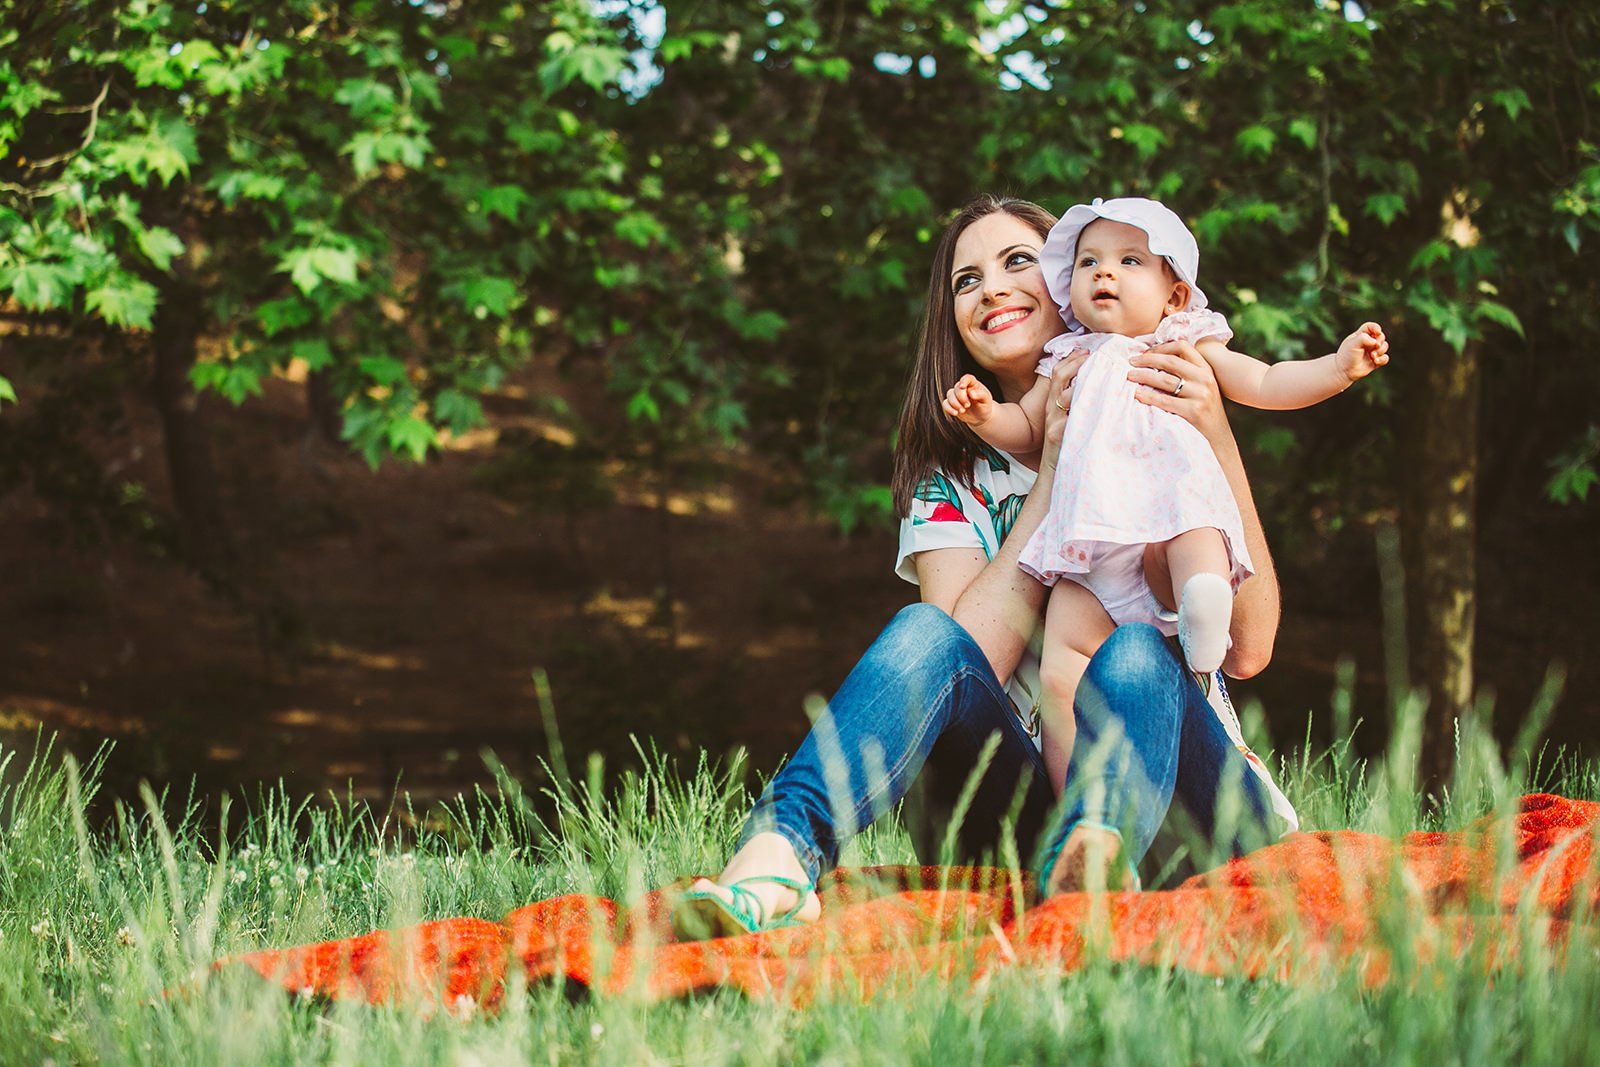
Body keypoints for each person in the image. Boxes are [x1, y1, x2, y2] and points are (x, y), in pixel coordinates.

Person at [672, 195, 1296, 940]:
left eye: (1017, 262)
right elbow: (960, 662)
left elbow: (1250, 649)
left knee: (1131, 652)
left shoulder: (1161, 403)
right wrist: (1055, 475)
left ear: (1067, 281)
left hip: (1194, 813)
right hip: (1024, 824)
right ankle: (778, 857)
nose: (991, 288)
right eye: (966, 280)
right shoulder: (950, 479)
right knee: (921, 629)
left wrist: (1218, 436)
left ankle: (1103, 850)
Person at [940, 197, 1387, 796]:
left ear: (1174, 295)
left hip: (1165, 530)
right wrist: (983, 416)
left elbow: (1266, 381)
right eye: (1089, 262)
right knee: (1063, 667)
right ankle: (1075, 810)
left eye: (1129, 261)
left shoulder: (1185, 346)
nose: (1105, 273)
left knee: (1192, 537)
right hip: (1090, 558)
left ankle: (1202, 604)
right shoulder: (1067, 361)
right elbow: (1024, 426)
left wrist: (1337, 367)